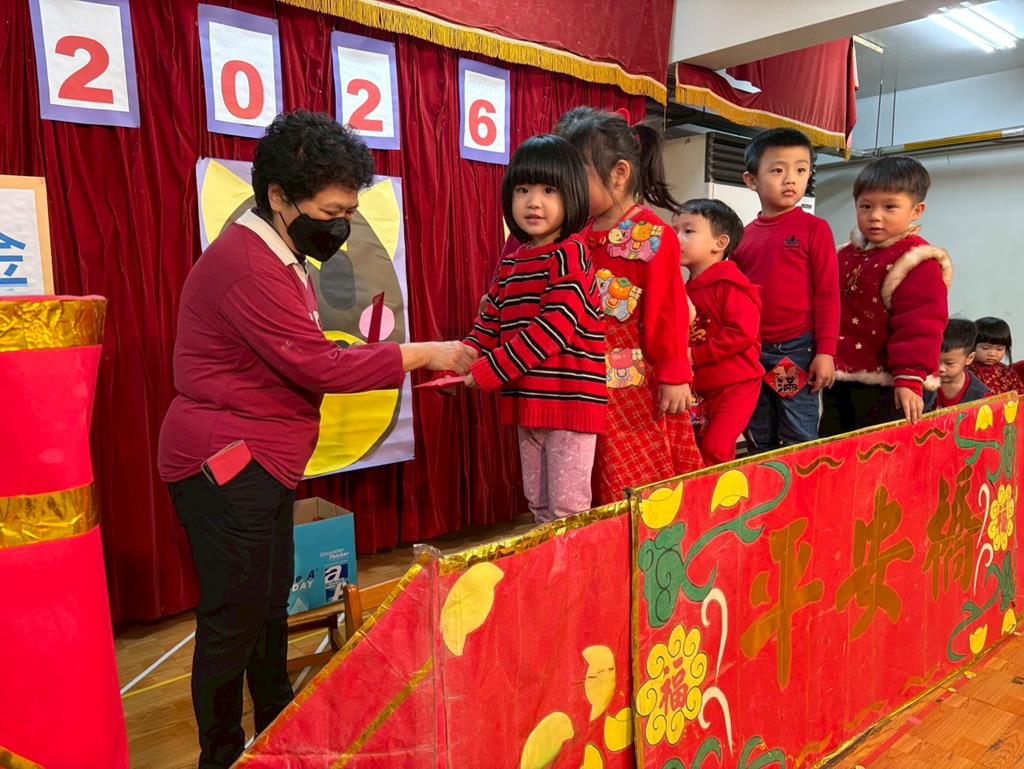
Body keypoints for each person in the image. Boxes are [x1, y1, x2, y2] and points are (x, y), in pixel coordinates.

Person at [157, 111, 473, 769]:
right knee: (233, 620)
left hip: (259, 462)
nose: (341, 226)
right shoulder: (247, 263)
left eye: (349, 212)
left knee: (267, 607)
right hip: (225, 464)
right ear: (279, 196)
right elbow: (319, 366)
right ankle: (221, 755)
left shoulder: (279, 254)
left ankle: (277, 730)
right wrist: (425, 352)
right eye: (332, 212)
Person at [557, 107, 702, 503]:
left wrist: (675, 374)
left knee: (634, 475)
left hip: (632, 386)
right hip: (580, 378)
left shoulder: (653, 235)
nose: (564, 188)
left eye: (574, 176)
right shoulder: (575, 232)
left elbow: (669, 310)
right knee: (582, 474)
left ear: (619, 173)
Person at [462, 135, 605, 522]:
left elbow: (553, 329)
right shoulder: (513, 263)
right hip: (527, 403)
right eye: (522, 190)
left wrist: (489, 370)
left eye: (548, 190)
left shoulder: (570, 253)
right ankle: (547, 564)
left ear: (572, 195)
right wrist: (462, 359)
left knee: (567, 511)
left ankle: (571, 566)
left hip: (569, 404)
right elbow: (490, 321)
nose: (533, 202)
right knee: (539, 507)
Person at [821, 156, 951, 434]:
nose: (875, 216)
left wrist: (909, 378)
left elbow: (921, 324)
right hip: (840, 377)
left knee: (884, 453)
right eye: (866, 206)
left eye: (889, 206)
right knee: (834, 450)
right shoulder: (843, 254)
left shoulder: (917, 260)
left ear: (917, 210)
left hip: (893, 383)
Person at [731, 128, 839, 452]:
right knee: (758, 431)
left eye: (801, 170)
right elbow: (735, 300)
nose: (791, 179)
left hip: (796, 350)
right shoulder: (743, 237)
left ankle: (803, 486)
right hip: (752, 351)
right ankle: (766, 483)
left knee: (798, 435)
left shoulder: (814, 229)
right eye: (778, 170)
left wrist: (826, 352)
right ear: (751, 180)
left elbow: (828, 294)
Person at [674, 199, 762, 466]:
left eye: (688, 231)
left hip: (737, 385)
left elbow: (742, 333)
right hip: (703, 387)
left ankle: (722, 493)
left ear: (720, 243)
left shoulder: (731, 284)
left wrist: (694, 356)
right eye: (674, 230)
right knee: (696, 449)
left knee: (716, 448)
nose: (677, 239)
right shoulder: (685, 288)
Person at [925, 319, 990, 411]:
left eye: (949, 363)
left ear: (969, 358)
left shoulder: (981, 396)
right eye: (935, 361)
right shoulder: (920, 382)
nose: (940, 368)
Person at [969, 316, 1024, 394]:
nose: (992, 354)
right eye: (985, 348)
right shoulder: (965, 370)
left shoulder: (1007, 373)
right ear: (972, 345)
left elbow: (1020, 395)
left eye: (999, 349)